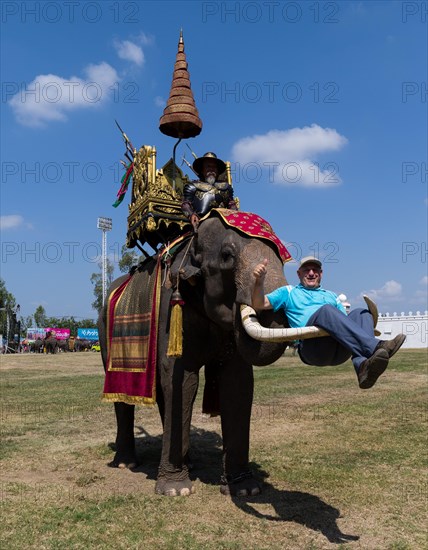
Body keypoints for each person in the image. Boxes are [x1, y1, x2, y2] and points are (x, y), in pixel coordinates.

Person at [252, 256, 406, 389]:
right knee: (325, 311)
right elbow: (259, 304)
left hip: (339, 350)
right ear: (299, 274)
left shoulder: (332, 296)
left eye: (316, 270)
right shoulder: (288, 292)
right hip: (312, 349)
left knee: (362, 312)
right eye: (307, 270)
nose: (311, 273)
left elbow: (344, 322)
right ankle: (375, 346)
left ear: (321, 274)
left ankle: (362, 367)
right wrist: (259, 281)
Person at [182, 152, 237, 230]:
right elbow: (185, 204)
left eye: (214, 167)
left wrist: (235, 214)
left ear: (217, 170)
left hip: (224, 222)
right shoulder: (192, 186)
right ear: (202, 170)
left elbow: (231, 204)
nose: (211, 169)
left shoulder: (226, 187)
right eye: (208, 166)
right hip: (201, 222)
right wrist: (191, 215)